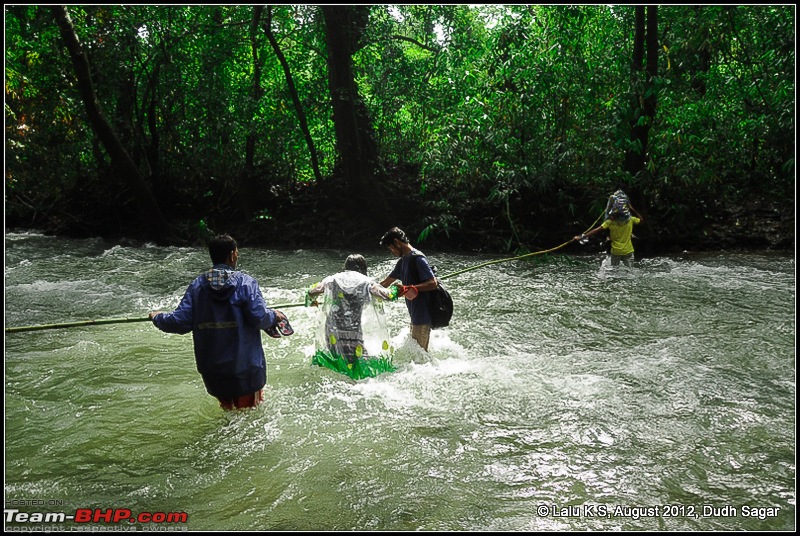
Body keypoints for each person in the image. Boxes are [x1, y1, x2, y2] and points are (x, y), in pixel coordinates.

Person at [148, 234, 289, 410]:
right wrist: (275, 315)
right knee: (248, 419)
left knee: (229, 415)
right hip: (245, 371)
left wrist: (157, 317)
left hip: (214, 373)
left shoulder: (197, 286)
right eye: (237, 252)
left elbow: (179, 322)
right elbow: (259, 317)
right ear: (231, 255)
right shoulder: (246, 283)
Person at [307, 254, 405, 372]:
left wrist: (313, 301)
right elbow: (387, 295)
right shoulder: (367, 282)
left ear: (346, 266)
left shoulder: (332, 279)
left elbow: (312, 291)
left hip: (332, 329)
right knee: (357, 362)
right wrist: (397, 289)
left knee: (337, 360)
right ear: (363, 268)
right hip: (352, 329)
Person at [379, 227, 439, 352]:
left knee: (420, 358)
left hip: (423, 316)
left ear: (397, 242)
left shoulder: (418, 259)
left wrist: (408, 288)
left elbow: (433, 283)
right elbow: (385, 283)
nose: (392, 252)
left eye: (391, 249)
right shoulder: (402, 262)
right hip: (414, 316)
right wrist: (365, 288)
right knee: (416, 354)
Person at [574, 189, 643, 267]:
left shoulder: (610, 222)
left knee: (614, 272)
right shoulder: (631, 220)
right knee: (630, 272)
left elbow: (595, 231)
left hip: (616, 252)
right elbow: (641, 220)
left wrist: (581, 237)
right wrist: (632, 208)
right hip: (628, 251)